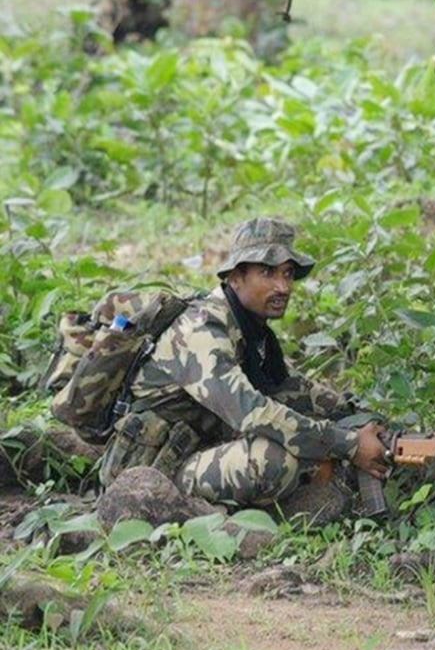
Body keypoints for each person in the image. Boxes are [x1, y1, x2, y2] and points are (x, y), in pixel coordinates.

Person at [98, 216, 387, 510]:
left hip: (201, 444)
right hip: (152, 468)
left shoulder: (248, 328)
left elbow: (290, 388)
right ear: (235, 277)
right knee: (274, 462)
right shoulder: (200, 330)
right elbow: (251, 412)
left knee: (298, 431)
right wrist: (348, 445)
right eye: (267, 272)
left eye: (287, 274)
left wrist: (360, 418)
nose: (283, 287)